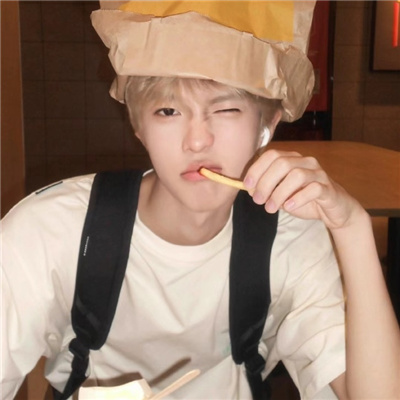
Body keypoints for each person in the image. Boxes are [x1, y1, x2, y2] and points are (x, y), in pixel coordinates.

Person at [2, 2, 399, 399]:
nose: (196, 141)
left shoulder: (290, 240)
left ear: (267, 124)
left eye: (226, 109)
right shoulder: (52, 231)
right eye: (167, 110)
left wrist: (352, 227)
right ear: (138, 126)